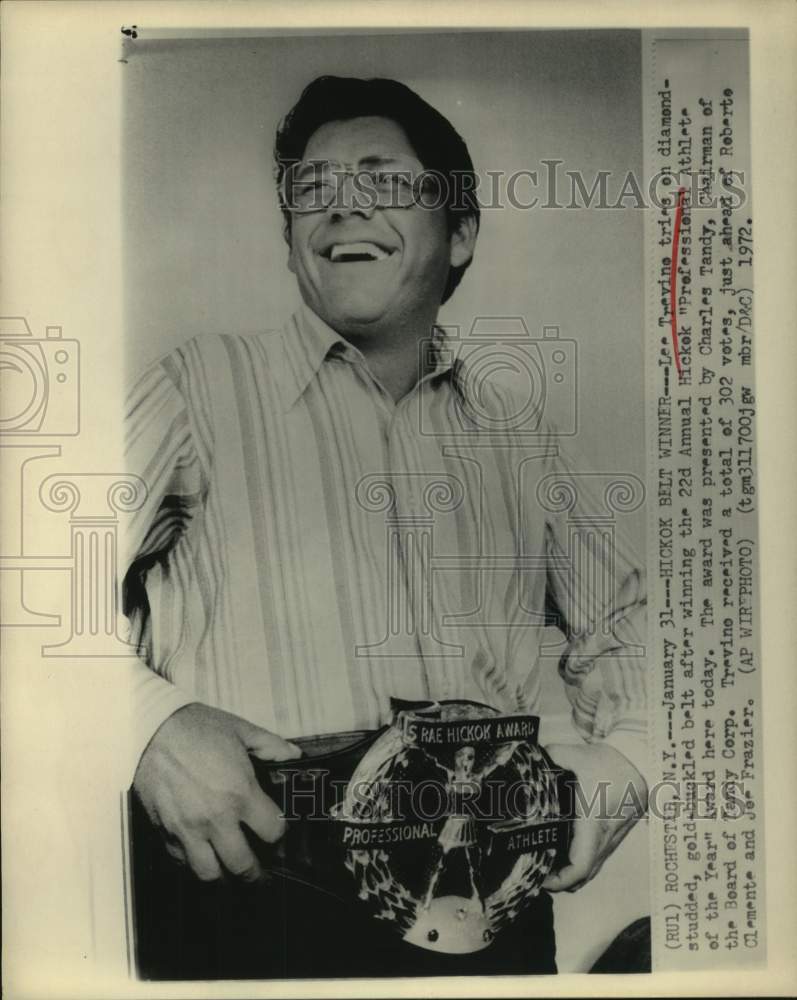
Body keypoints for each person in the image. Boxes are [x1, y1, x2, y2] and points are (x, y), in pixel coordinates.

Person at [123, 75, 650, 975]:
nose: (340, 208)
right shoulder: (197, 387)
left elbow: (634, 630)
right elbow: (26, 602)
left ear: (462, 233)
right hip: (253, 904)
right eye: (313, 190)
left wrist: (627, 765)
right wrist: (144, 724)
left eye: (383, 180)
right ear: (291, 243)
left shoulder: (516, 430)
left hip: (491, 917)